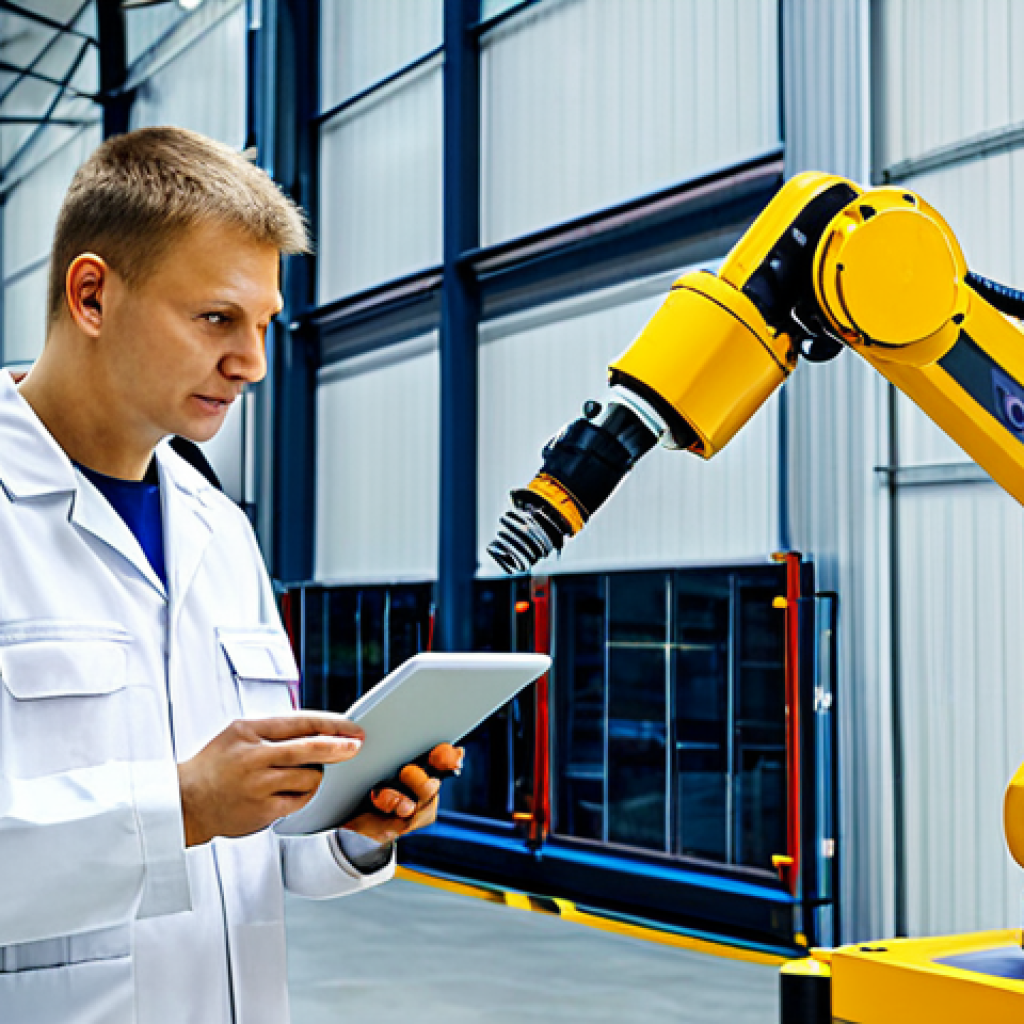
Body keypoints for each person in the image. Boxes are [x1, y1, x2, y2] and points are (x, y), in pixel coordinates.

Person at [0, 126, 461, 1024]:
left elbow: (254, 853)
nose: (251, 363)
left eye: (262, 327)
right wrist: (179, 806)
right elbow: (188, 817)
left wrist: (346, 826)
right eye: (217, 318)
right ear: (92, 295)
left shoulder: (221, 531)